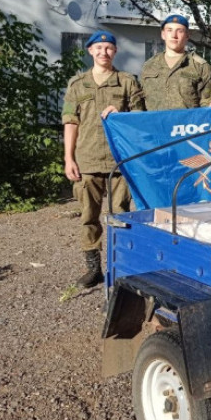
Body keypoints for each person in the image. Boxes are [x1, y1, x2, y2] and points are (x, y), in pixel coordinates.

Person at [62, 30, 145, 288]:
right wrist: (68, 158)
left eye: (108, 48)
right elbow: (70, 123)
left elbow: (140, 117)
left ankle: (121, 266)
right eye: (98, 48)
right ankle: (93, 268)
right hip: (87, 159)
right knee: (89, 216)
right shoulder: (78, 84)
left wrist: (121, 112)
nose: (103, 52)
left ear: (115, 51)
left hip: (118, 161)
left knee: (121, 216)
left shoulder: (127, 82)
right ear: (90, 51)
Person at [140, 13, 211, 110]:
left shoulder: (199, 66)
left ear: (187, 35)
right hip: (155, 120)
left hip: (187, 120)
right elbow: (140, 102)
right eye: (169, 30)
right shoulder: (149, 65)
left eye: (180, 31)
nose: (174, 35)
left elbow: (207, 103)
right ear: (163, 34)